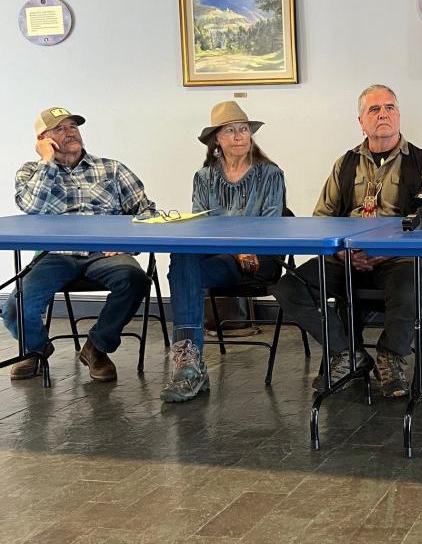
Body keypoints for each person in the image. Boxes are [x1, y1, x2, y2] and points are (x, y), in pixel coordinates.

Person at [273, 84, 422, 398]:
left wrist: (385, 249)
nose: (384, 114)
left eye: (390, 108)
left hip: (398, 259)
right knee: (290, 287)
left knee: (411, 282)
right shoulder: (344, 164)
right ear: (361, 121)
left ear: (399, 115)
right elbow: (321, 219)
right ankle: (347, 353)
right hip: (346, 257)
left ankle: (390, 358)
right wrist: (343, 252)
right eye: (374, 109)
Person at [4, 107, 155, 382]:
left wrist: (127, 245)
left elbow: (147, 212)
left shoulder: (112, 169)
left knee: (135, 280)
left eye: (73, 126)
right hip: (56, 256)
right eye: (60, 129)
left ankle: (96, 348)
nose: (70, 132)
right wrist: (47, 162)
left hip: (104, 252)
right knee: (14, 306)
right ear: (43, 138)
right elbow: (31, 206)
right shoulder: (31, 172)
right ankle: (36, 349)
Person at [160, 101, 286, 403]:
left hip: (260, 260)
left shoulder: (270, 174)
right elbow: (199, 228)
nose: (239, 136)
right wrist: (233, 250)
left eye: (243, 129)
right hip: (222, 258)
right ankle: (189, 364)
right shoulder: (204, 177)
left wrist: (239, 248)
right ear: (217, 139)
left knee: (182, 269)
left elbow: (269, 226)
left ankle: (189, 366)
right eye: (230, 131)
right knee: (183, 257)